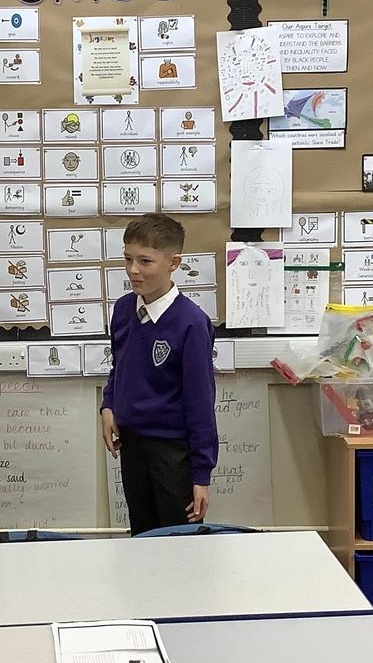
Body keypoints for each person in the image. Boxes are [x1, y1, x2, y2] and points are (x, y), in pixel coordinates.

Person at [100, 213, 218, 536]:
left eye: (145, 261)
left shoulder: (191, 323)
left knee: (177, 542)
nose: (133, 270)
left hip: (173, 454)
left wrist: (201, 476)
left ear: (173, 263)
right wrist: (108, 405)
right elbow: (119, 366)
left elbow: (200, 402)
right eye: (128, 259)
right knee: (142, 536)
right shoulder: (123, 310)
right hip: (133, 447)